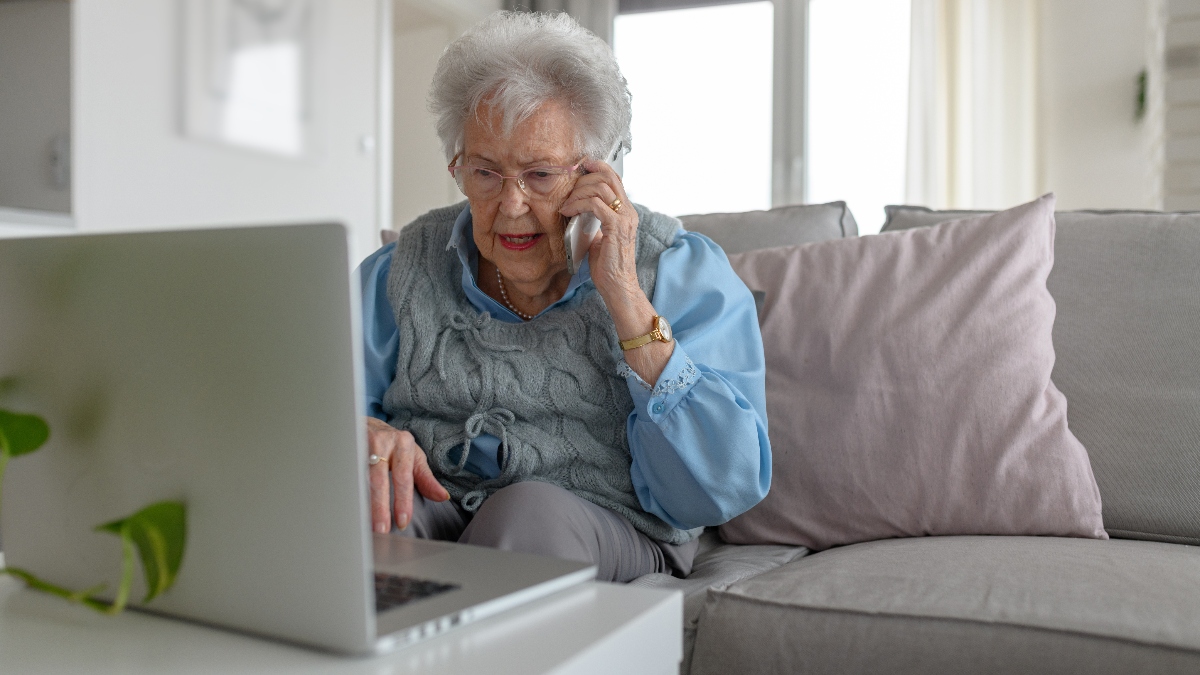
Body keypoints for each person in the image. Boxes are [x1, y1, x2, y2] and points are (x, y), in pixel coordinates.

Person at [356, 10, 770, 583]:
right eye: (485, 172)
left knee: (527, 517)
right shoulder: (400, 272)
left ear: (597, 173)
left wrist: (625, 296)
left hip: (609, 524)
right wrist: (361, 432)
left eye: (541, 175)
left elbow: (722, 486)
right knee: (367, 507)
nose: (511, 204)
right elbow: (303, 410)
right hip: (439, 505)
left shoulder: (679, 270)